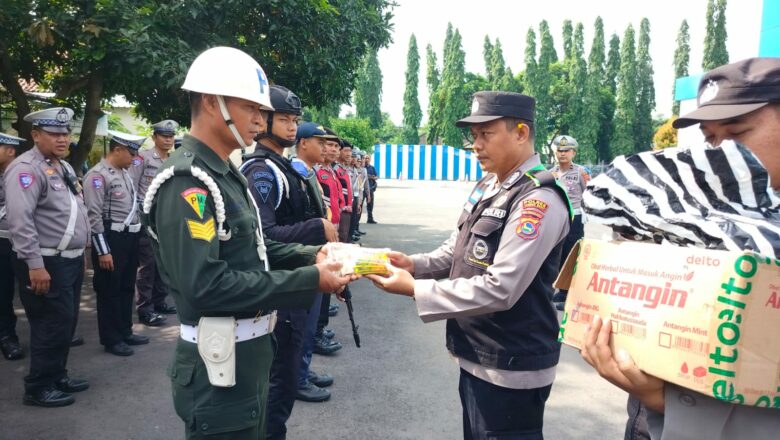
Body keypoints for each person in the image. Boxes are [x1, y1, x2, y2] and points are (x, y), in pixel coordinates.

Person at [141, 46, 350, 439]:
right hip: (219, 367)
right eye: (250, 108)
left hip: (246, 358)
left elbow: (254, 249)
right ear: (210, 101)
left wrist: (314, 256)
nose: (260, 119)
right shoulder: (189, 182)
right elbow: (205, 286)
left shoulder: (224, 174)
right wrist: (310, 280)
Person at [583, 57, 780, 440]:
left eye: (737, 132)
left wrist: (665, 401)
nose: (718, 154)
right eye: (710, 139)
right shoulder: (693, 214)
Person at [368, 91, 572, 439]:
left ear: (521, 133)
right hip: (481, 358)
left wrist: (414, 288)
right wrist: (412, 264)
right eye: (473, 136)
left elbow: (501, 288)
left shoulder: (537, 198)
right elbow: (458, 250)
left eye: (486, 134)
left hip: (512, 366)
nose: (475, 145)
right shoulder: (489, 185)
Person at [239, 85, 338, 436]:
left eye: (295, 120)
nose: (292, 127)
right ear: (264, 120)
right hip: (280, 288)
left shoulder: (281, 166)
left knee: (287, 372)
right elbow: (263, 238)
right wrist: (316, 227)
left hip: (296, 279)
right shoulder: (262, 171)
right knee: (279, 380)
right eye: (283, 119)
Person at [5, 107, 90, 407]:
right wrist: (35, 265)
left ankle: (57, 375)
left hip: (67, 259)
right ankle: (38, 387)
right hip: (45, 261)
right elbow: (20, 220)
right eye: (54, 133)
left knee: (65, 322)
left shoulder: (61, 167)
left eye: (65, 133)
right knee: (49, 324)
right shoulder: (26, 169)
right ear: (35, 135)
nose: (62, 138)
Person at [83, 131, 149, 357]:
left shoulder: (124, 173)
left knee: (126, 286)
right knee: (109, 289)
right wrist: (103, 251)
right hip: (111, 239)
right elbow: (94, 216)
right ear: (117, 150)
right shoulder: (97, 176)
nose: (134, 158)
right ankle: (111, 338)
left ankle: (125, 331)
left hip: (129, 238)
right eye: (131, 153)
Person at [130, 119, 180, 327]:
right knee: (147, 265)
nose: (168, 139)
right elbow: (131, 188)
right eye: (164, 136)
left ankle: (160, 301)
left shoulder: (174, 158)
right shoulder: (142, 158)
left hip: (164, 219)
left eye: (171, 136)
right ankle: (145, 308)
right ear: (154, 137)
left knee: (163, 264)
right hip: (146, 219)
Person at [549, 135, 589, 311]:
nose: (562, 154)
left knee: (572, 255)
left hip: (575, 218)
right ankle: (562, 289)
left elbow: (590, 193)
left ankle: (571, 294)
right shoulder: (551, 173)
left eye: (566, 150)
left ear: (573, 152)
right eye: (559, 150)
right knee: (557, 254)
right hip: (558, 218)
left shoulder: (581, 172)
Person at [0, 132, 26, 361]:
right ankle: (7, 337)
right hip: (2, 242)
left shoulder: (24, 173)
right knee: (3, 292)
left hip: (26, 241)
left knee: (35, 290)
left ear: (10, 150)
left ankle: (50, 335)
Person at [365, 154, 378, 224]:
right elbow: (362, 176)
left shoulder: (372, 168)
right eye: (365, 158)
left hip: (370, 188)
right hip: (362, 189)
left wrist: (373, 177)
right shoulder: (361, 167)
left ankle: (370, 218)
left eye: (368, 158)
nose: (366, 160)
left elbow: (376, 176)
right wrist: (370, 177)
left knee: (370, 204)